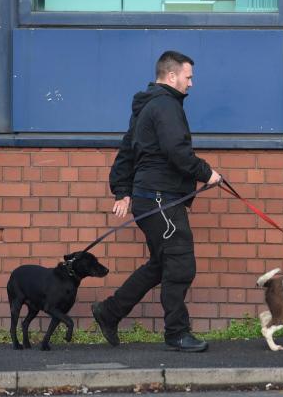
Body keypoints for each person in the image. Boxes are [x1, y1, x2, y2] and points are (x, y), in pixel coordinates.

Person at [91, 50, 221, 353]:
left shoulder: (149, 105)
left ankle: (109, 312)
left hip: (151, 198)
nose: (192, 83)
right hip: (160, 198)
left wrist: (122, 189)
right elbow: (177, 151)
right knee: (180, 264)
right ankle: (176, 333)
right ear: (172, 75)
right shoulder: (164, 106)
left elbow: (128, 149)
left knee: (161, 265)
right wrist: (207, 173)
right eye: (188, 76)